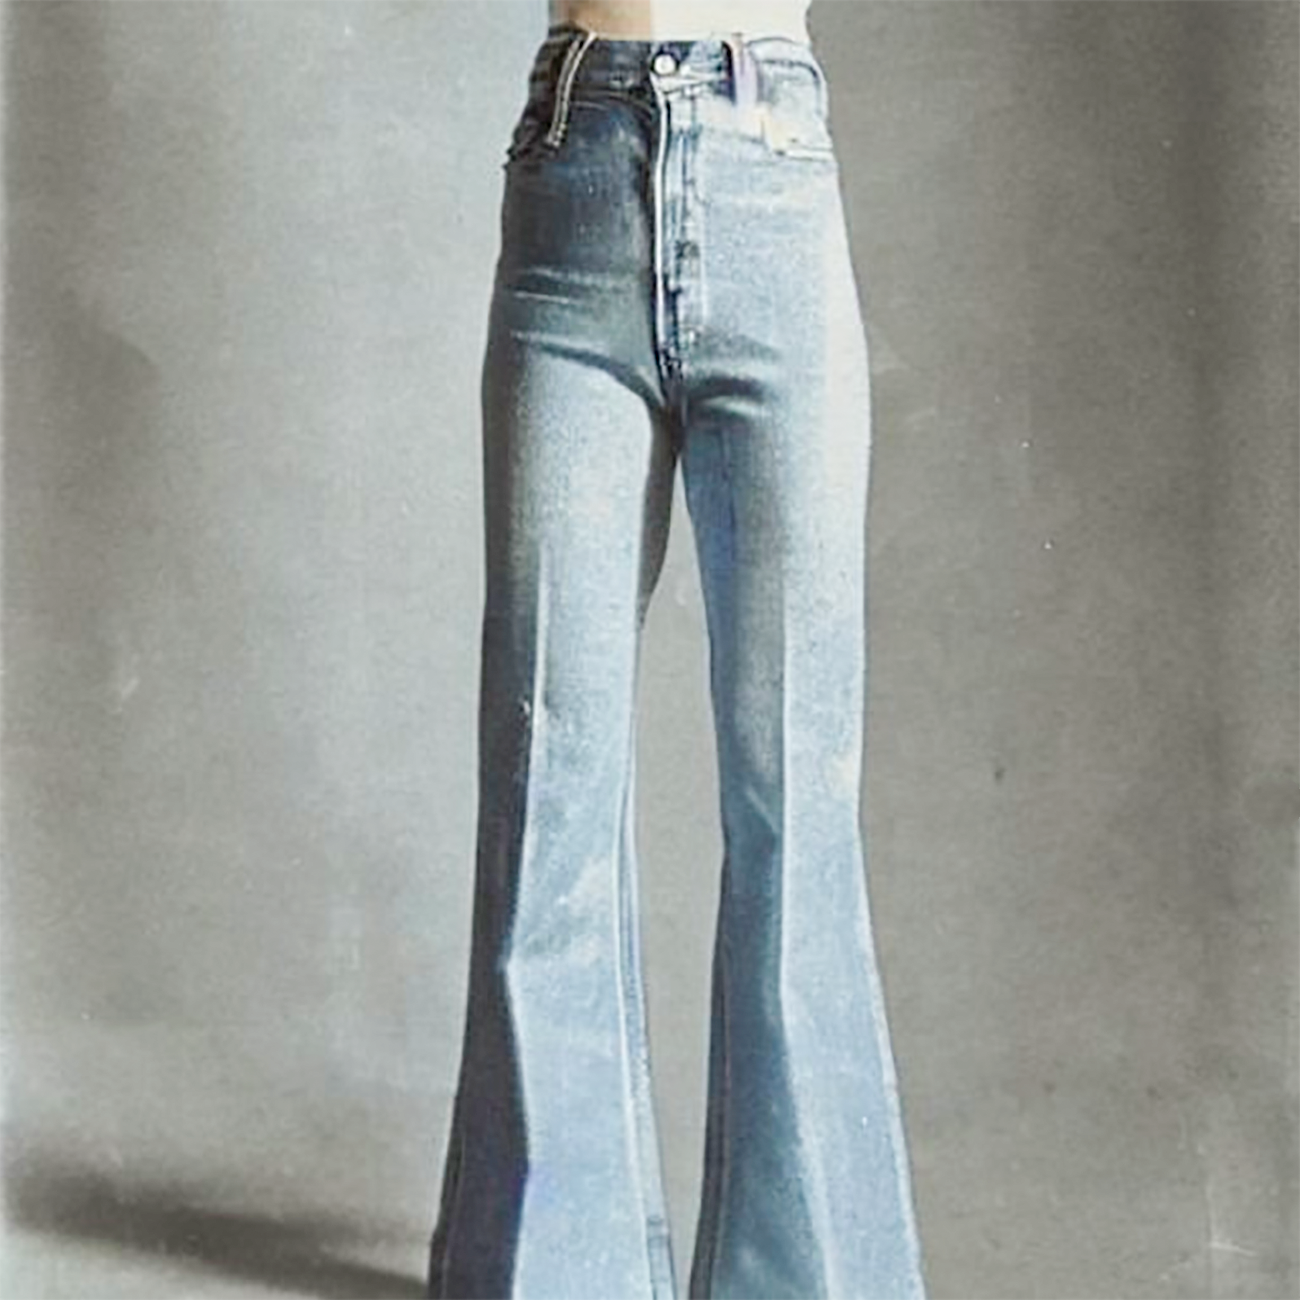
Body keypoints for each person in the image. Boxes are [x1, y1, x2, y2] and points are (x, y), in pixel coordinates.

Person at [425, 2, 927, 1296]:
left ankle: (803, 1277)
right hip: (574, 173)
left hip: (772, 174)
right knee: (547, 777)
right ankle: (553, 1271)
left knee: (795, 798)